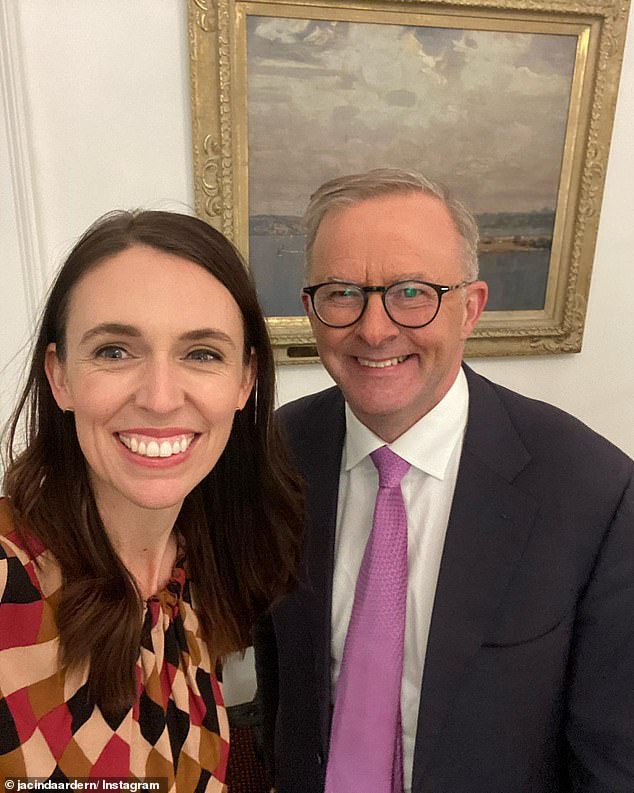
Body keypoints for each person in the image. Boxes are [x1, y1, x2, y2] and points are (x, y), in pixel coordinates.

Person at [254, 168, 634, 793]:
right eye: (343, 292)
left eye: (412, 292)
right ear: (310, 310)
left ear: (470, 308)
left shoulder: (593, 491)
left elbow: (612, 759)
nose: (374, 329)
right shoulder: (274, 454)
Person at [0, 210, 303, 788]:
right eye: (115, 351)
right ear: (59, 377)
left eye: (203, 353)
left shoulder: (200, 572)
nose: (161, 398)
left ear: (245, 382)